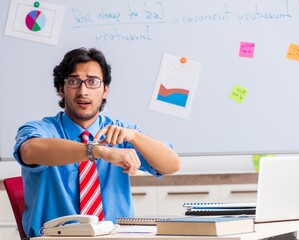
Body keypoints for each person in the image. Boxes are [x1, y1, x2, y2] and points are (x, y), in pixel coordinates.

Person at [13, 47, 181, 237]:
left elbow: (171, 164)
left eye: (92, 82)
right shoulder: (42, 129)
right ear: (61, 89)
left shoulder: (120, 132)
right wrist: (98, 151)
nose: (83, 91)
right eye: (74, 82)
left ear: (105, 90)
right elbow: (29, 150)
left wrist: (135, 136)